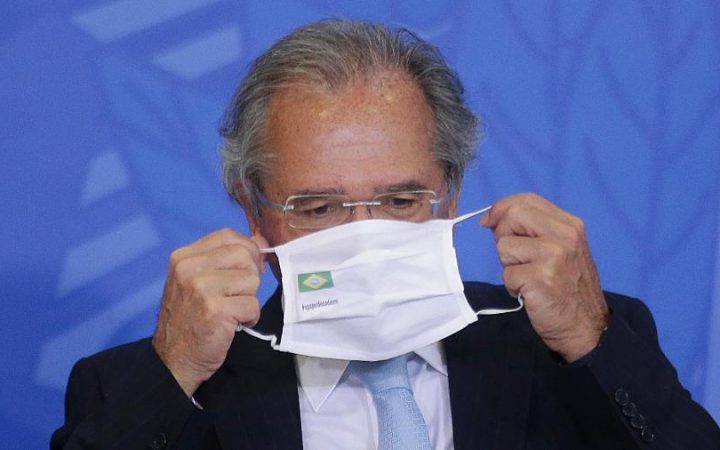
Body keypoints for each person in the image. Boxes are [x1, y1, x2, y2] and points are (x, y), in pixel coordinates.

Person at [52, 19, 719, 449]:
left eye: (400, 200)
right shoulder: (147, 384)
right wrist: (174, 372)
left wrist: (590, 339)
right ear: (253, 210)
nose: (365, 238)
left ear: (451, 193)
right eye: (318, 208)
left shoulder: (572, 346)